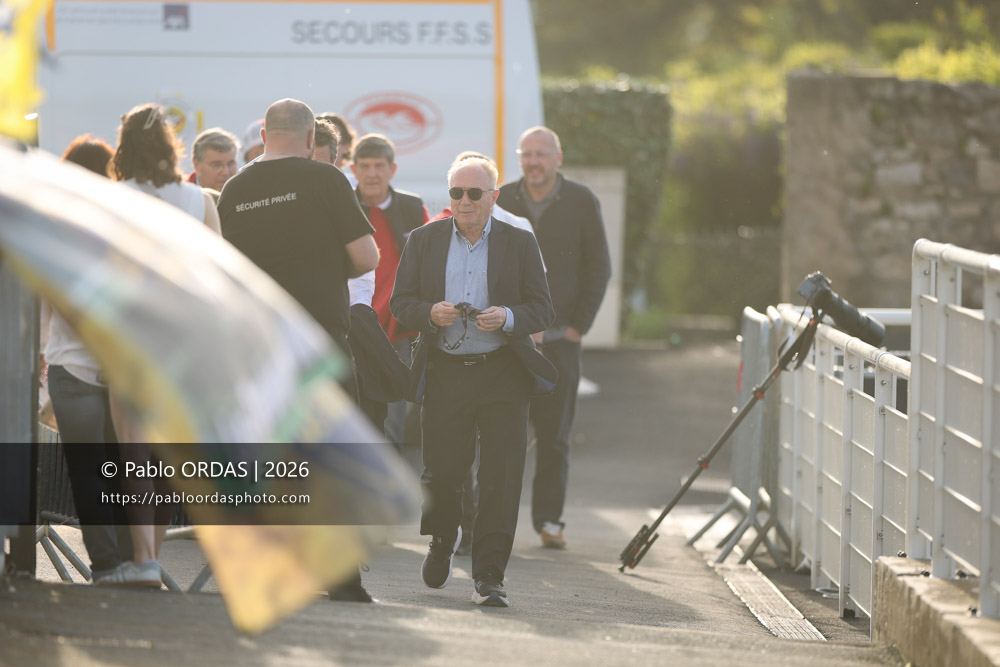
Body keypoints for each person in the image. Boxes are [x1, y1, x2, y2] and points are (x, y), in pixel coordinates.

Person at [217, 98, 379, 603]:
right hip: (319, 341)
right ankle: (341, 577)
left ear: (263, 133)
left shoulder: (235, 188)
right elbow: (366, 256)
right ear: (312, 139)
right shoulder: (325, 179)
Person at [390, 157, 555, 608]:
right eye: (456, 193)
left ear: (493, 197)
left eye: (474, 193)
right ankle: (443, 537)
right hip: (445, 370)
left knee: (502, 475)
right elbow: (400, 301)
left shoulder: (519, 243)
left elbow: (543, 309)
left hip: (504, 372)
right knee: (443, 472)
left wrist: (509, 317)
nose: (464, 201)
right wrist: (429, 313)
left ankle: (489, 574)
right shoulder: (422, 241)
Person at [109, 102, 224, 585]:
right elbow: (218, 275)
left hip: (132, 334)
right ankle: (158, 558)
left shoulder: (112, 198)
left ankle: (145, 559)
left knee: (133, 451)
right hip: (185, 339)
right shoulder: (201, 200)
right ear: (172, 148)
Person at [497, 126, 611, 550]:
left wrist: (579, 326)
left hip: (562, 341)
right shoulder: (502, 199)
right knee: (500, 434)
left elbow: (599, 268)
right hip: (509, 339)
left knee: (554, 437)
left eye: (542, 154)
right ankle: (495, 520)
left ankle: (549, 521)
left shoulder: (581, 201)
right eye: (526, 154)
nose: (533, 161)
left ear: (558, 158)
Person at [44, 135, 136, 586]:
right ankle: (122, 561)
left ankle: (108, 564)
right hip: (110, 370)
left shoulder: (58, 230)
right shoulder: (113, 230)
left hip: (73, 370)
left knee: (89, 473)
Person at [350, 133, 429, 447]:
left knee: (392, 426)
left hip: (397, 334)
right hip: (354, 332)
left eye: (379, 166)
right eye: (365, 165)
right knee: (356, 423)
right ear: (353, 169)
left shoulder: (411, 207)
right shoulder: (343, 205)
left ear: (392, 169)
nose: (372, 173)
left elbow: (427, 261)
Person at [187, 127, 239, 191]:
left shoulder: (249, 193)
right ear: (196, 165)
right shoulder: (179, 197)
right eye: (217, 165)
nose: (225, 173)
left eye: (230, 164)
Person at [318, 112, 357, 185]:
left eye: (333, 142)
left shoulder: (358, 186)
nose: (325, 147)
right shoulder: (298, 183)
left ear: (347, 146)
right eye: (319, 141)